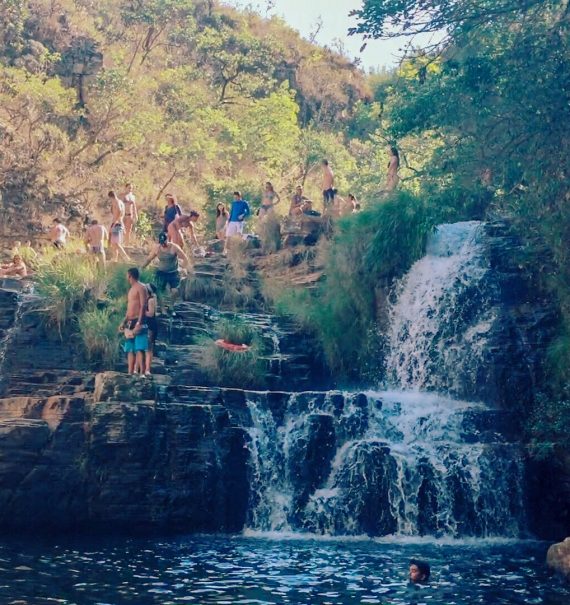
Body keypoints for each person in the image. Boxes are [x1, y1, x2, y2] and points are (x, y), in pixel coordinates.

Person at [142, 232, 189, 298]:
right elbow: (149, 259)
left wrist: (183, 269)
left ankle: (171, 306)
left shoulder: (174, 247)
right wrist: (142, 268)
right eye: (161, 243)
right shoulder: (157, 248)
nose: (163, 244)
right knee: (158, 291)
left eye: (164, 242)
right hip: (161, 272)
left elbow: (185, 259)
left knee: (174, 291)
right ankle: (162, 307)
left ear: (167, 240)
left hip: (173, 273)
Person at [119, 267, 148, 375]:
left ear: (130, 275)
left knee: (139, 348)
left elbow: (143, 305)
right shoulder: (131, 289)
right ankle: (130, 373)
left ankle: (142, 373)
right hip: (130, 321)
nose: (126, 278)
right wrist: (124, 321)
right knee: (130, 349)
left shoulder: (141, 287)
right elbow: (129, 308)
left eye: (127, 275)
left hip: (138, 320)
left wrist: (139, 323)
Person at [108, 191, 130, 262]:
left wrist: (115, 222)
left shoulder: (116, 202)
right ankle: (115, 258)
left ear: (111, 197)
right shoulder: (121, 202)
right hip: (119, 223)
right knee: (114, 243)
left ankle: (126, 257)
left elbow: (120, 211)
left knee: (116, 243)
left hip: (117, 223)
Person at [144, 283, 158, 376]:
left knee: (149, 348)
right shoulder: (148, 299)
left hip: (150, 325)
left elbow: (151, 314)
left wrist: (141, 310)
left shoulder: (151, 300)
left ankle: (147, 369)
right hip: (147, 324)